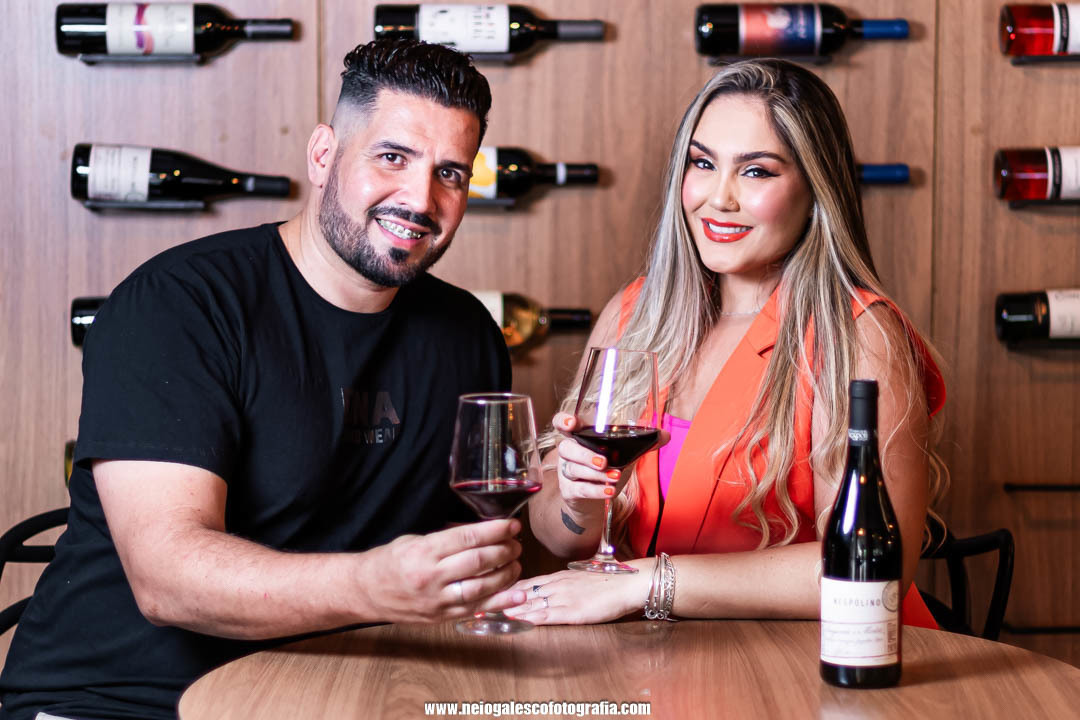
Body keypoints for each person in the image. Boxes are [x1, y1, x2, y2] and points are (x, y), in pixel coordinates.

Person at [0, 40, 526, 720]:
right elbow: (166, 579)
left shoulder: (467, 333)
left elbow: (487, 537)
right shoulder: (180, 305)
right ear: (323, 155)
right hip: (118, 701)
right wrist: (373, 585)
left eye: (449, 173)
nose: (420, 199)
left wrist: (573, 507)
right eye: (392, 157)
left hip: (322, 699)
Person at [508, 59, 947, 627]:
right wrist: (576, 501)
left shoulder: (858, 334)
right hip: (662, 659)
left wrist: (648, 583)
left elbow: (871, 566)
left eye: (756, 171)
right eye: (703, 163)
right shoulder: (635, 313)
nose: (719, 198)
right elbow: (561, 538)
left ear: (816, 188)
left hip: (819, 661)